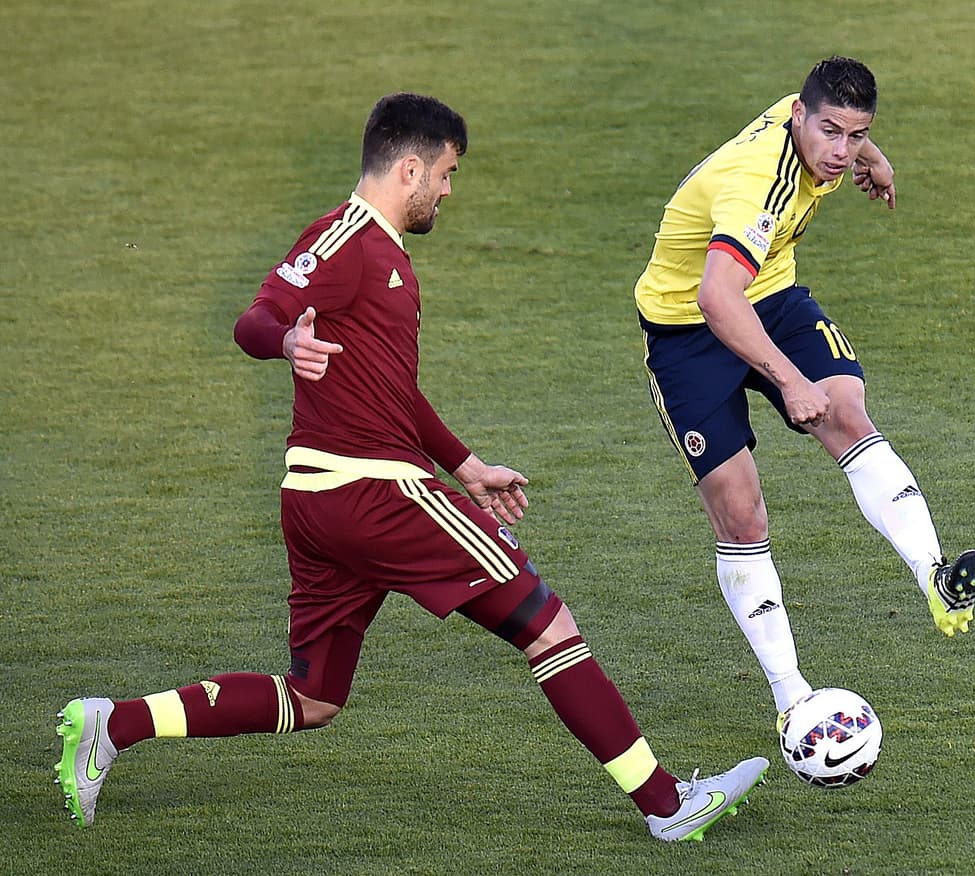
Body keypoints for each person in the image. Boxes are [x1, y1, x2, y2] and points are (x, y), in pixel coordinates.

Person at [55, 92, 767, 842]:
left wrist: (467, 465)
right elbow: (256, 316)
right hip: (375, 492)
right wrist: (284, 344)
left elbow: (394, 391)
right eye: (448, 174)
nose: (449, 192)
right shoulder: (348, 240)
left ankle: (113, 725)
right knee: (547, 626)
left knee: (315, 697)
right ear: (409, 167)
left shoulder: (385, 256)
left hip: (320, 500)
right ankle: (666, 805)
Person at [632, 57, 975, 728]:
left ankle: (935, 579)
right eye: (831, 133)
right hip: (688, 332)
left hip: (771, 298)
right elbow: (716, 298)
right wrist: (790, 381)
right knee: (741, 515)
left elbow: (838, 128)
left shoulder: (812, 123)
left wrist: (873, 158)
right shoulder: (754, 186)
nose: (841, 152)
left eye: (857, 136)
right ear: (799, 115)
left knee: (848, 415)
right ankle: (791, 697)